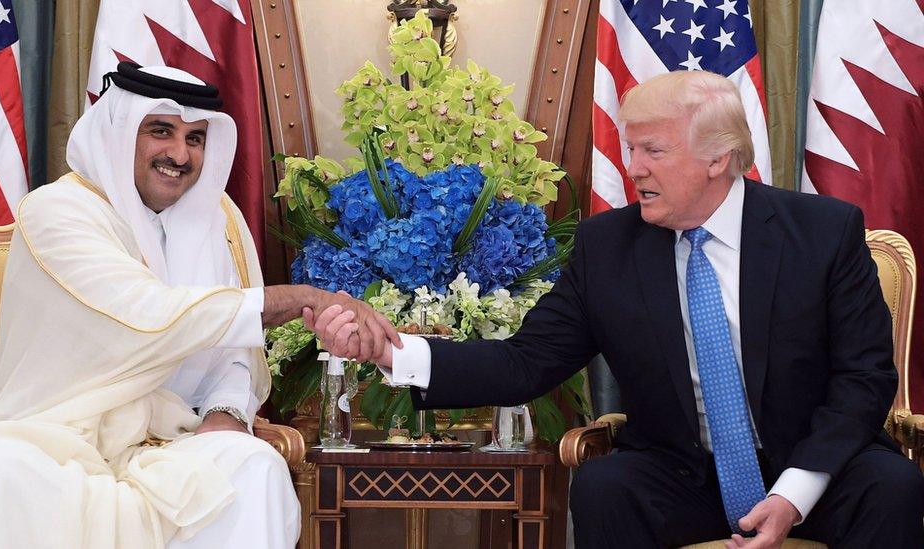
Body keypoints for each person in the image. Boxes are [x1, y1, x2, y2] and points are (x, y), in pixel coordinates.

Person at [310, 70, 924, 548]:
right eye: (631, 151)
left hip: (811, 465)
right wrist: (396, 354)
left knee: (893, 488)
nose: (634, 170)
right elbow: (528, 362)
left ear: (717, 158)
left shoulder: (821, 232)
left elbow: (863, 379)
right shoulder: (609, 247)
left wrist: (793, 494)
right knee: (607, 486)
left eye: (653, 151)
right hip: (684, 474)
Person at [0, 62, 399, 549]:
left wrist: (227, 411)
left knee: (255, 466)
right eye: (160, 131)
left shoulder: (218, 219)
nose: (179, 155)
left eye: (196, 138)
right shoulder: (57, 211)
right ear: (120, 133)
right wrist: (303, 298)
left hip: (172, 442)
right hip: (57, 440)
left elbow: (235, 352)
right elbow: (148, 314)